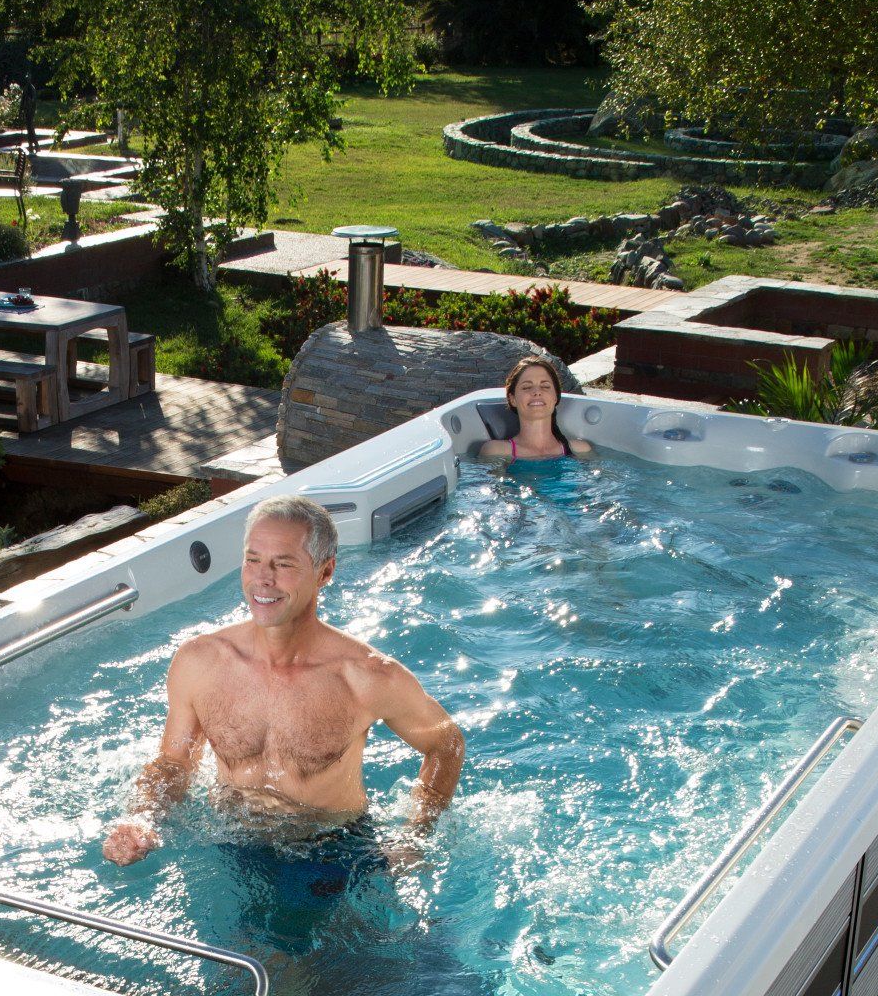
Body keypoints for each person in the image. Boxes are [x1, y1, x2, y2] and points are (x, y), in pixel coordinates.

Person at [102, 496, 465, 868]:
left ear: (325, 573)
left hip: (333, 850)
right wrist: (142, 816)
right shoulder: (201, 661)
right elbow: (174, 762)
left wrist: (415, 834)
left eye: (284, 563)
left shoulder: (366, 676)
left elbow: (445, 742)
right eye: (253, 559)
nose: (263, 578)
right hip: (230, 844)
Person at [470, 351, 593, 463]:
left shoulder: (580, 450)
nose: (537, 392)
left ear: (555, 397)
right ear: (512, 399)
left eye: (545, 386)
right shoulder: (496, 451)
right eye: (527, 387)